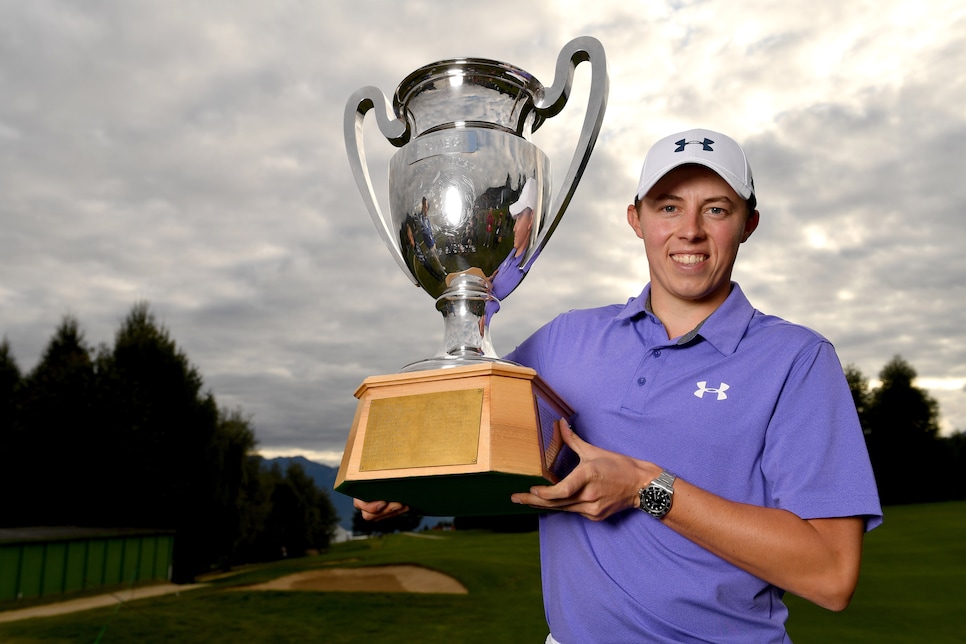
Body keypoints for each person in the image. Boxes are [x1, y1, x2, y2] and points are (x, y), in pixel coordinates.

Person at [357, 128, 882, 643]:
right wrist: (412, 490)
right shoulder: (565, 339)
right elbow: (482, 442)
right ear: (637, 219)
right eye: (668, 206)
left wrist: (645, 488)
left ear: (749, 224)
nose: (691, 230)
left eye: (717, 209)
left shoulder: (797, 359)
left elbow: (831, 575)